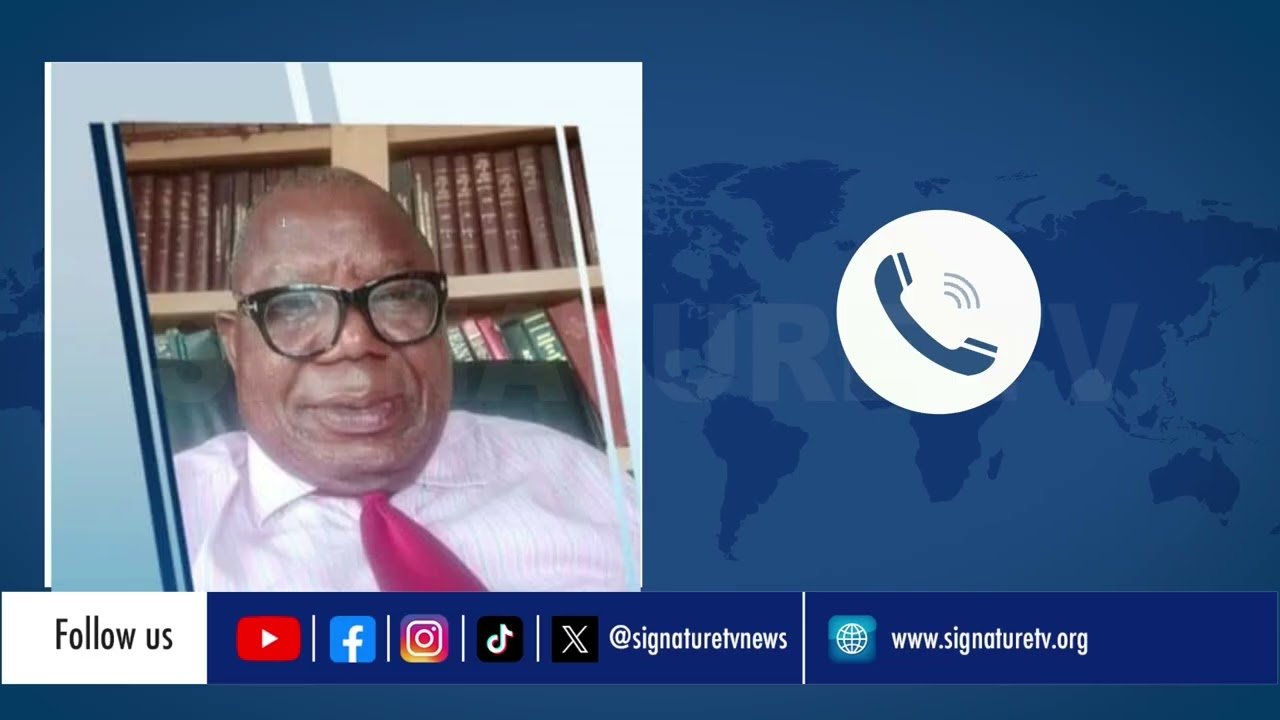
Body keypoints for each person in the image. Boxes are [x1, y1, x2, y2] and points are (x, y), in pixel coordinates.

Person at [174, 168, 639, 591]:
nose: (356, 340)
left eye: (397, 297)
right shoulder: (163, 523)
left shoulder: (590, 489)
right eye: (295, 306)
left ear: (441, 322)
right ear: (234, 345)